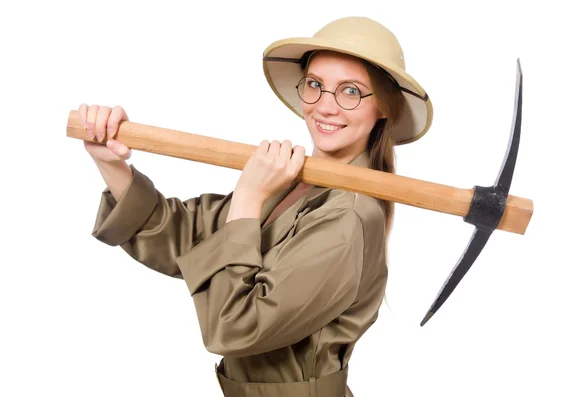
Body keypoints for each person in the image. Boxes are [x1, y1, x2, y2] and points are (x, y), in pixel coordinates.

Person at [81, 16, 432, 397]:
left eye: (350, 91)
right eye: (315, 85)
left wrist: (249, 198)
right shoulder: (291, 182)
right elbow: (181, 235)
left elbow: (233, 328)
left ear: (382, 107)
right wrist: (110, 161)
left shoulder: (348, 218)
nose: (325, 107)